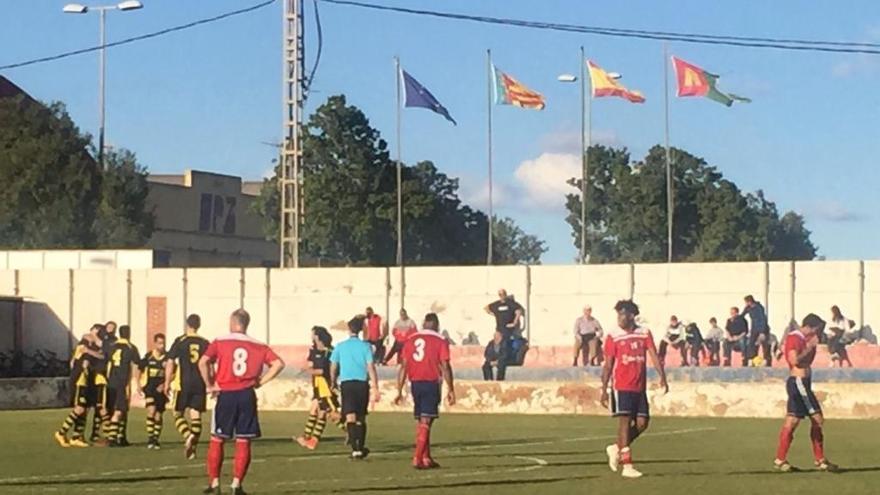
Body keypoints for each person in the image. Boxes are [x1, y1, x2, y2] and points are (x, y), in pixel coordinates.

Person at [199, 309, 285, 495]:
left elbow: (203, 361)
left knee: (217, 438)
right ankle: (236, 485)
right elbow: (279, 364)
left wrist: (209, 385)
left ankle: (214, 483)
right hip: (246, 395)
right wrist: (260, 382)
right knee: (243, 439)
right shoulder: (259, 345)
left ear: (232, 322)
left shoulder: (221, 341)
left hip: (226, 394)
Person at [600, 299, 668, 479]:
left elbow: (653, 354)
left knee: (642, 423)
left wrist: (662, 376)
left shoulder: (644, 333)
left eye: (623, 314)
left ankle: (616, 447)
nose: (620, 318)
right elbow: (608, 364)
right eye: (618, 314)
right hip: (621, 386)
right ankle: (627, 465)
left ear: (631, 315)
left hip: (639, 386)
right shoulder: (613, 336)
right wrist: (603, 388)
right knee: (624, 422)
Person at [773, 313, 839, 473]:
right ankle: (820, 460)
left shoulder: (806, 340)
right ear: (810, 327)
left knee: (792, 421)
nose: (817, 333)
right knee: (817, 419)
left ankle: (780, 460)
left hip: (803, 383)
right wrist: (810, 346)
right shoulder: (794, 338)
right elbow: (794, 360)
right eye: (816, 330)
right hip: (798, 383)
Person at [394, 313, 456, 469]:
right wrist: (451, 388)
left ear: (424, 323)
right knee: (426, 420)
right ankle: (417, 457)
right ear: (436, 324)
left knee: (423, 420)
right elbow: (445, 366)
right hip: (430, 382)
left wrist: (399, 389)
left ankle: (427, 457)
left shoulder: (410, 340)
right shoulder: (440, 340)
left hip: (415, 382)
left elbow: (404, 366)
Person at [330, 315, 380, 460]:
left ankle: (355, 449)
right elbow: (370, 367)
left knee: (350, 416)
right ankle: (360, 446)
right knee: (361, 417)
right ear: (361, 329)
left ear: (348, 329)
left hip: (347, 383)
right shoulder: (366, 346)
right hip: (362, 383)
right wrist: (375, 386)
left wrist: (333, 381)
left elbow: (333, 365)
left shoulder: (340, 346)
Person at [164, 314, 209, 460]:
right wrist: (211, 383)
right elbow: (210, 364)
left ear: (187, 324)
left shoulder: (180, 341)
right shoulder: (204, 342)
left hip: (183, 382)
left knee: (177, 413)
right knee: (195, 415)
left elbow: (170, 362)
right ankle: (193, 448)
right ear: (199, 325)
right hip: (200, 382)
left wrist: (166, 382)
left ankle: (188, 435)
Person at [54, 325, 105, 448]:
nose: (95, 336)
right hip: (79, 381)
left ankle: (76, 437)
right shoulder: (83, 344)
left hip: (86, 381)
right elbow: (81, 361)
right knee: (80, 408)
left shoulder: (91, 347)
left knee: (85, 409)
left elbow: (101, 356)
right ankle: (61, 433)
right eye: (95, 332)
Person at [295, 326, 345, 450]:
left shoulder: (330, 351)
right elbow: (311, 364)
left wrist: (309, 370)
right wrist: (307, 368)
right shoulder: (313, 350)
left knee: (329, 413)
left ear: (317, 336)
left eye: (312, 333)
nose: (311, 336)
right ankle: (308, 438)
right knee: (316, 410)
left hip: (325, 386)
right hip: (317, 385)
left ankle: (352, 430)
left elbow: (323, 371)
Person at [104, 325, 140, 447]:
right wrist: (135, 383)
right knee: (119, 411)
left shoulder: (112, 347)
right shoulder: (131, 348)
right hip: (122, 383)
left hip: (111, 382)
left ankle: (122, 436)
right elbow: (136, 366)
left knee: (122, 409)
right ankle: (112, 437)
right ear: (129, 334)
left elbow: (108, 364)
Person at [139, 333, 168, 449]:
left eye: (163, 343)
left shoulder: (167, 357)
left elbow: (173, 373)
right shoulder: (148, 356)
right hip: (150, 387)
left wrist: (165, 384)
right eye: (160, 343)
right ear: (155, 343)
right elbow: (139, 368)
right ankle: (150, 438)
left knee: (158, 415)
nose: (162, 346)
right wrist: (138, 383)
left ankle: (156, 439)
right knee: (151, 410)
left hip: (161, 389)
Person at [744, 295, 771, 366]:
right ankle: (751, 359)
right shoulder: (748, 308)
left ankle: (766, 360)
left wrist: (762, 332)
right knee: (751, 343)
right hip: (754, 328)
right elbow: (743, 314)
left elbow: (763, 319)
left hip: (762, 327)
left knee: (764, 343)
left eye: (746, 302)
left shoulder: (759, 308)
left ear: (750, 301)